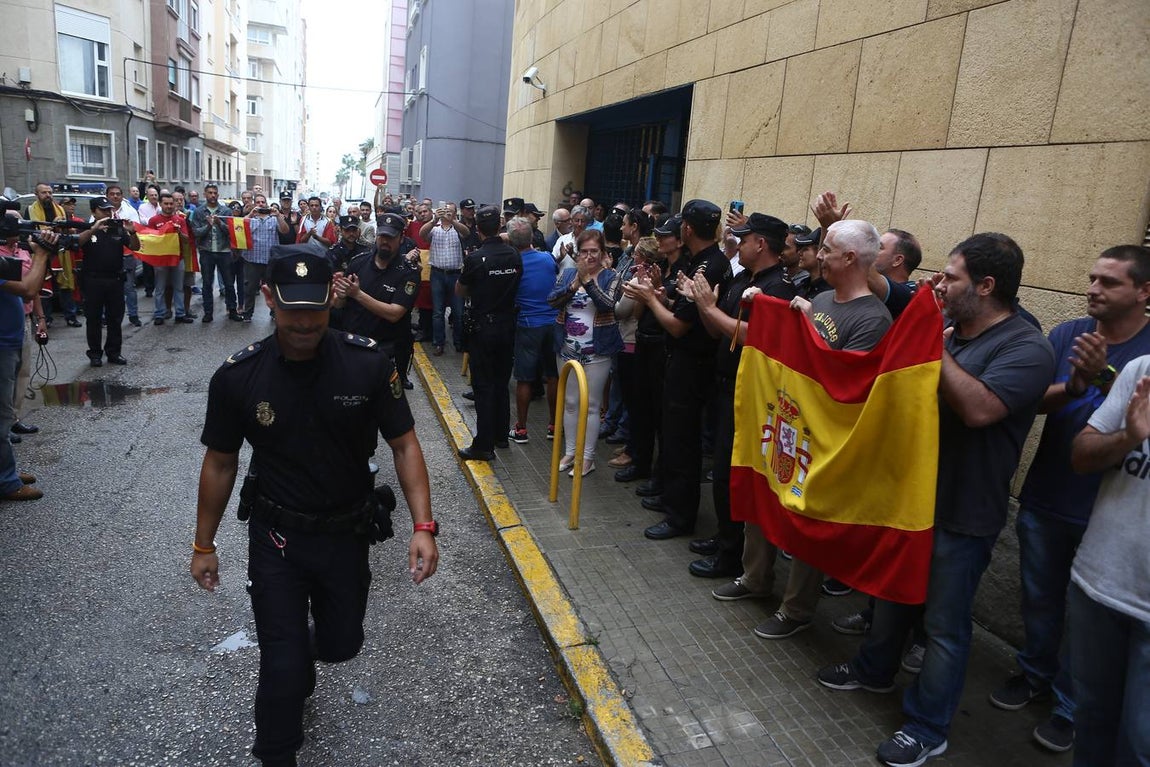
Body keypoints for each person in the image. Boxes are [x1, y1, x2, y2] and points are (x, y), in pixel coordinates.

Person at [190, 249, 439, 767]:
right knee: (281, 666)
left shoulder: (368, 363)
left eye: (315, 308)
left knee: (341, 643)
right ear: (268, 300)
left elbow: (405, 445)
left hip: (346, 533)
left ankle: (305, 650)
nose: (303, 322)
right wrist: (203, 544)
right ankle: (277, 752)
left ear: (332, 298)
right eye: (290, 309)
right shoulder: (239, 377)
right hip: (277, 536)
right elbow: (219, 464)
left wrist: (424, 525)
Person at [817, 232, 1054, 767]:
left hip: (964, 511)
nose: (940, 286)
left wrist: (930, 346)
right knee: (893, 596)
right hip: (912, 499)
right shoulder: (954, 333)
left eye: (953, 278)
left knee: (945, 625)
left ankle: (928, 726)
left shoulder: (1025, 346)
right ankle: (875, 672)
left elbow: (981, 409)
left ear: (988, 286)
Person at [990, 245, 1150, 752]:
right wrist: (1076, 382)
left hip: (1106, 514)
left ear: (1144, 292)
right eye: (1091, 278)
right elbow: (1028, 400)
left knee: (1087, 623)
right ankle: (1033, 672)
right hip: (1049, 493)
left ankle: (1069, 706)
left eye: (1109, 282)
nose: (1093, 289)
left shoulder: (1146, 354)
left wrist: (1099, 381)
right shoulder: (1067, 334)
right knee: (1039, 600)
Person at [684, 213, 797, 579]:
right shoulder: (740, 280)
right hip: (726, 386)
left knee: (729, 474)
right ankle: (724, 537)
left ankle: (731, 557)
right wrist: (705, 306)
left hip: (750, 394)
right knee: (721, 473)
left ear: (760, 244)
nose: (739, 244)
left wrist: (709, 308)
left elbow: (753, 335)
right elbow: (718, 330)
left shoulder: (778, 287)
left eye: (745, 239)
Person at [623, 200, 731, 540]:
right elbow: (683, 309)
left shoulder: (707, 266)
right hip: (684, 361)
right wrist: (660, 295)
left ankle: (680, 516)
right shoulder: (704, 261)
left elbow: (680, 326)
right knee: (671, 434)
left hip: (693, 364)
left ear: (686, 230)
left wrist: (649, 299)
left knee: (683, 440)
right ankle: (670, 497)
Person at [1068, 354, 1150, 767]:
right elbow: (1081, 455)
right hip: (1100, 583)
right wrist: (1128, 438)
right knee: (1091, 724)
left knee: (1139, 747)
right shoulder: (1142, 371)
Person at [546, 229, 622, 476]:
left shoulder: (611, 276)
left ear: (603, 254)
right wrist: (573, 284)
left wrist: (588, 282)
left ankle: (587, 457)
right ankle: (570, 452)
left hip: (597, 351)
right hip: (567, 348)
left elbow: (607, 305)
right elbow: (552, 300)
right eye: (585, 252)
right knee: (569, 403)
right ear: (577, 253)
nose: (589, 257)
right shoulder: (568, 273)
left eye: (594, 252)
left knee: (591, 405)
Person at [456, 206, 522, 461]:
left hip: (484, 327)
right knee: (501, 383)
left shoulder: (475, 258)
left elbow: (460, 290)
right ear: (499, 226)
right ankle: (500, 436)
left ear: (478, 229)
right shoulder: (514, 255)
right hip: (508, 325)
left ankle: (483, 445)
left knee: (483, 386)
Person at [332, 212, 419, 390]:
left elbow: (395, 313)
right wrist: (340, 295)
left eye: (391, 237)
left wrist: (357, 294)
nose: (385, 241)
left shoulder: (409, 272)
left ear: (401, 238)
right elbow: (339, 304)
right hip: (353, 345)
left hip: (384, 352)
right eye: (382, 236)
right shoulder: (358, 263)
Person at [0, 225, 55, 501]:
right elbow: (29, 289)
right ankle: (6, 482)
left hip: (8, 340)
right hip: (1, 343)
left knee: (6, 410)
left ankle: (5, 471)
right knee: (1, 416)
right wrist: (42, 254)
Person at [507, 217, 559, 444]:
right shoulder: (547, 258)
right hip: (552, 323)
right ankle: (553, 426)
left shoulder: (513, 263)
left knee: (525, 379)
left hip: (527, 324)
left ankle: (521, 429)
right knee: (553, 374)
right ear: (531, 237)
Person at [77, 196, 140, 366]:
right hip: (93, 280)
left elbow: (135, 247)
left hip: (115, 279)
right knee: (94, 319)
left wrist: (132, 232)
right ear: (93, 212)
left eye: (109, 209)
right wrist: (93, 229)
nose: (107, 212)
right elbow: (77, 243)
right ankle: (95, 354)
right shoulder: (87, 228)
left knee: (115, 319)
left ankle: (113, 352)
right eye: (103, 210)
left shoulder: (117, 228)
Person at [419, 202, 469, 355]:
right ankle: (438, 343)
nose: (447, 213)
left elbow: (466, 232)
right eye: (444, 211)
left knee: (458, 311)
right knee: (438, 311)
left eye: (450, 211)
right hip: (438, 274)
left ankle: (458, 342)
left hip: (455, 275)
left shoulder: (458, 229)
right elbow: (422, 234)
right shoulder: (434, 229)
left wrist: (452, 220)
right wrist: (434, 219)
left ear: (455, 213)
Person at [188, 184, 242, 322]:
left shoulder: (225, 211)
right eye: (210, 193)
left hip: (224, 251)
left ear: (218, 195)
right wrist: (209, 225)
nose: (212, 195)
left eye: (215, 193)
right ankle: (208, 312)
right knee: (207, 283)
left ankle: (232, 310)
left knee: (229, 283)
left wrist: (219, 223)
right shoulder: (199, 212)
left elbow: (231, 231)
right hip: (207, 251)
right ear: (205, 194)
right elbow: (196, 232)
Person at [240, 195, 290, 322]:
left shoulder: (274, 218)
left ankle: (274, 312)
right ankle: (247, 313)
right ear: (253, 203)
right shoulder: (249, 218)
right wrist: (251, 214)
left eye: (263, 202)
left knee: (272, 288)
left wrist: (278, 215)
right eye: (258, 202)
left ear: (267, 203)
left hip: (270, 260)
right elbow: (239, 229)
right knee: (250, 289)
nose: (260, 204)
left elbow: (285, 231)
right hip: (252, 259)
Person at [148, 192, 194, 325]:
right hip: (161, 260)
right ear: (161, 204)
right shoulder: (154, 220)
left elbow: (186, 240)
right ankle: (159, 314)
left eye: (171, 203)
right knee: (160, 288)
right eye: (166, 203)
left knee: (178, 287)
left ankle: (180, 314)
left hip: (177, 258)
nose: (168, 206)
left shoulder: (180, 220)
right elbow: (150, 239)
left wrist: (179, 232)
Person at [104, 184, 143, 327]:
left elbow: (136, 231)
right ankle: (106, 316)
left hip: (126, 255)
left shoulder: (130, 211)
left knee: (129, 287)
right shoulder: (101, 211)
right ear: (107, 196)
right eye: (112, 194)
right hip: (107, 256)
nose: (115, 196)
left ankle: (133, 315)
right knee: (108, 288)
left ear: (122, 196)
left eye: (118, 194)